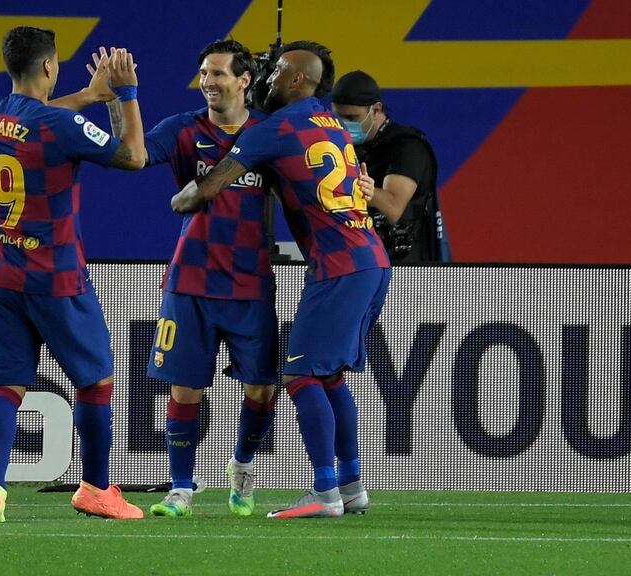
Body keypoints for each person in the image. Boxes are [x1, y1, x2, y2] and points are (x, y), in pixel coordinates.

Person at [172, 41, 388, 519]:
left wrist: (181, 198)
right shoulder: (330, 124)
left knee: (299, 375)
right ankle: (352, 485)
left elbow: (205, 190)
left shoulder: (274, 129)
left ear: (296, 80)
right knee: (329, 377)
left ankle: (325, 492)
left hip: (339, 267)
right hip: (371, 260)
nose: (266, 79)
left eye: (276, 73)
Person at [0, 26, 146, 522]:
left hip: (1, 273)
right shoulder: (57, 126)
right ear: (49, 66)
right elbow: (133, 156)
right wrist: (125, 93)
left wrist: (89, 96)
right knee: (97, 382)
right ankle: (95, 489)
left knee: (6, 387)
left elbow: (42, 119)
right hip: (56, 277)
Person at [110, 39, 280, 518]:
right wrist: (121, 97)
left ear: (245, 80)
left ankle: (243, 467)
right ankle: (181, 487)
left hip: (250, 283)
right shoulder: (185, 130)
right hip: (190, 280)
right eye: (204, 73)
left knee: (262, 390)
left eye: (219, 74)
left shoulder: (269, 133)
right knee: (184, 389)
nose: (208, 82)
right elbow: (132, 155)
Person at [331, 70, 449, 263]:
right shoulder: (345, 147)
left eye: (352, 118)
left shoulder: (406, 147)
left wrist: (354, 187)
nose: (345, 125)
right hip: (360, 261)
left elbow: (393, 208)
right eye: (340, 118)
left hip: (405, 268)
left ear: (376, 110)